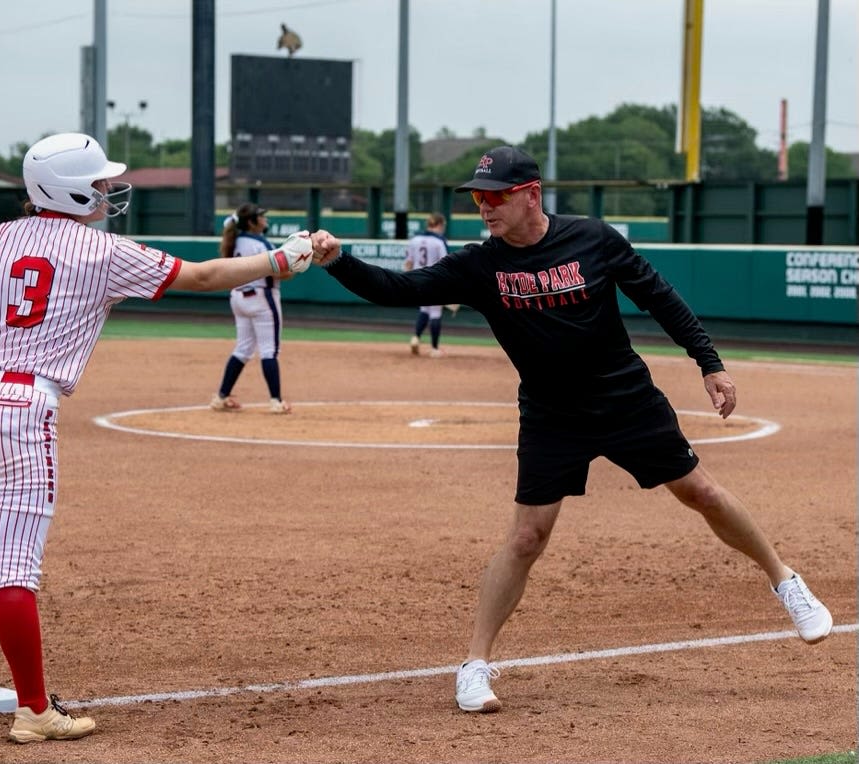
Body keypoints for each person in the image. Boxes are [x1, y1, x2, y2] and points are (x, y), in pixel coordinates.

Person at [308, 145, 832, 714]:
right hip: (551, 415)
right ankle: (475, 666)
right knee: (527, 537)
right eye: (477, 198)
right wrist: (338, 260)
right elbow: (398, 291)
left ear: (530, 193)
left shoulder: (594, 239)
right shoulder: (480, 266)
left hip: (626, 399)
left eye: (494, 196)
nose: (483, 208)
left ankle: (786, 582)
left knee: (700, 491)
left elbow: (659, 298)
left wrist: (709, 363)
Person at [0, 132, 312, 745]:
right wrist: (281, 258)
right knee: (13, 569)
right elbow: (203, 274)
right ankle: (33, 710)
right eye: (102, 183)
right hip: (20, 407)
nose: (110, 190)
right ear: (75, 188)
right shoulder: (100, 250)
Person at [209, 202, 293, 414]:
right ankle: (276, 401)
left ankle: (221, 397)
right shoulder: (260, 243)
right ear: (251, 222)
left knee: (243, 349)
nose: (265, 220)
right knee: (269, 351)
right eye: (261, 217)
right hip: (261, 298)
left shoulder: (234, 240)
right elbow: (280, 272)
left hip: (238, 297)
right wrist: (298, 264)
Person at [402, 212, 450, 358]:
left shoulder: (415, 239)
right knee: (435, 313)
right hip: (434, 281)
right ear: (440, 225)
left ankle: (415, 338)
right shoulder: (439, 242)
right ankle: (434, 348)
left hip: (417, 280)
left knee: (424, 310)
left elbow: (408, 263)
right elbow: (445, 264)